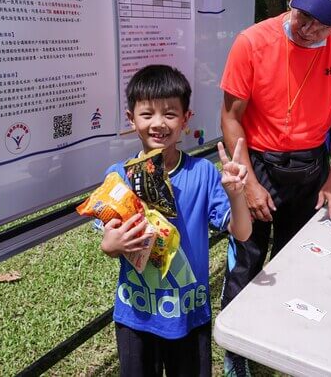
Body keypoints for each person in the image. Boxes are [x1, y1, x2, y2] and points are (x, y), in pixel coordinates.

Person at [219, 0, 331, 375]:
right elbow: (230, 116)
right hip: (259, 161)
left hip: (310, 167)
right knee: (246, 258)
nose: (307, 27)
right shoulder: (253, 41)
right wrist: (248, 184)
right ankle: (236, 351)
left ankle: (284, 340)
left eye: (323, 23)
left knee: (298, 261)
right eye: (303, 14)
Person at [99, 65, 251, 376]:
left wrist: (237, 194)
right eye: (147, 114)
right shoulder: (118, 176)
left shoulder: (204, 173)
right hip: (136, 315)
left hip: (189, 314)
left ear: (185, 119)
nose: (158, 123)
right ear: (131, 119)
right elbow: (108, 240)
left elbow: (243, 232)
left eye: (170, 113)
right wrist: (110, 245)